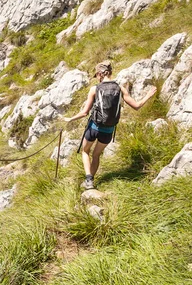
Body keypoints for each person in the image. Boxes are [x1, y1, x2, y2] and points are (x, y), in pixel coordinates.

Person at [64, 61, 157, 190]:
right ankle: (90, 182)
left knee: (85, 151)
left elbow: (84, 112)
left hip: (94, 128)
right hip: (108, 131)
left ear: (99, 74)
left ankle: (89, 179)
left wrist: (70, 119)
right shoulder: (120, 88)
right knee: (96, 155)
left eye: (96, 75)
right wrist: (147, 95)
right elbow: (136, 106)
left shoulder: (94, 89)